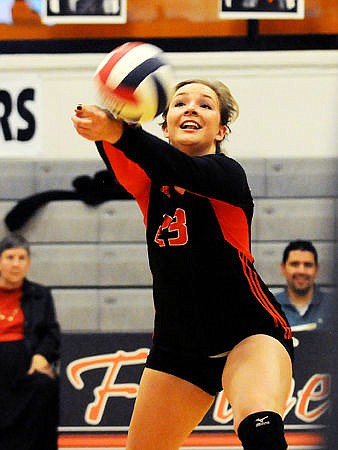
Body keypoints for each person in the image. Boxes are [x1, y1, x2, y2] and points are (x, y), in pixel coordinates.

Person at [72, 79, 293, 450]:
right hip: (179, 347)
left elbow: (177, 168)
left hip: (248, 334)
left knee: (260, 430)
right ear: (165, 125)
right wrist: (113, 119)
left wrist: (123, 134)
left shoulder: (227, 175)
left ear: (221, 130)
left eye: (205, 105)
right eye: (180, 104)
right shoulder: (149, 186)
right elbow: (124, 151)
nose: (191, 108)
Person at [0, 234, 61, 450]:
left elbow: (51, 333)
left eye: (21, 258)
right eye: (9, 257)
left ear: (28, 262)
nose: (16, 264)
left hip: (25, 362)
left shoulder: (40, 295)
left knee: (45, 384)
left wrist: (41, 356)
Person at [275, 239, 332, 330]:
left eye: (308, 265)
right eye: (294, 264)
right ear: (283, 268)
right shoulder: (270, 307)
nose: (301, 271)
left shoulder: (333, 306)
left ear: (316, 269)